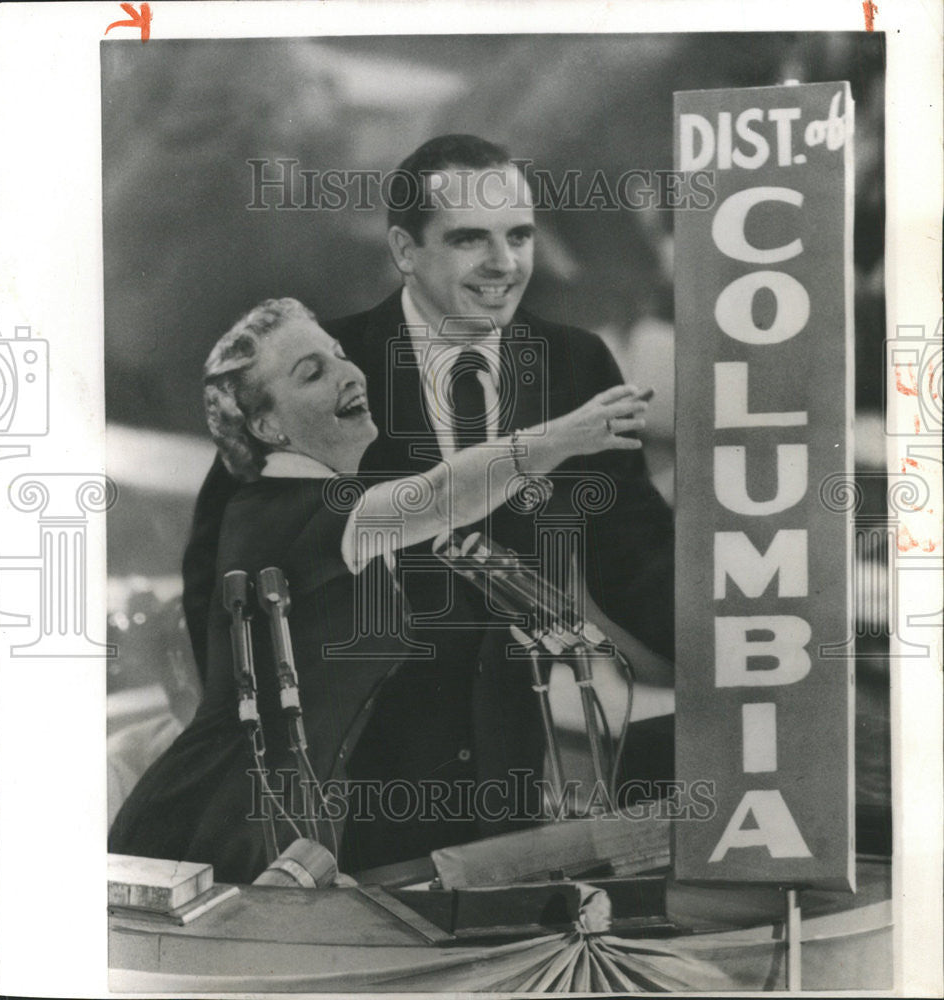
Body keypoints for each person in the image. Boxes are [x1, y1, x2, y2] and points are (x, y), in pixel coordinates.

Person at [183, 135, 675, 872]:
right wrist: (259, 762)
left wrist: (750, 660)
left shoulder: (575, 366)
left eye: (519, 235)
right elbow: (217, 584)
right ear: (405, 250)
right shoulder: (316, 372)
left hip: (504, 781)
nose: (503, 264)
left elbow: (637, 558)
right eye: (469, 239)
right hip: (336, 794)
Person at [108, 296, 649, 885]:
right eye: (312, 373)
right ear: (267, 426)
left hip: (292, 828)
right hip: (217, 824)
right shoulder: (282, 511)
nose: (348, 373)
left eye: (339, 356)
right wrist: (565, 436)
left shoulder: (326, 511)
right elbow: (441, 496)